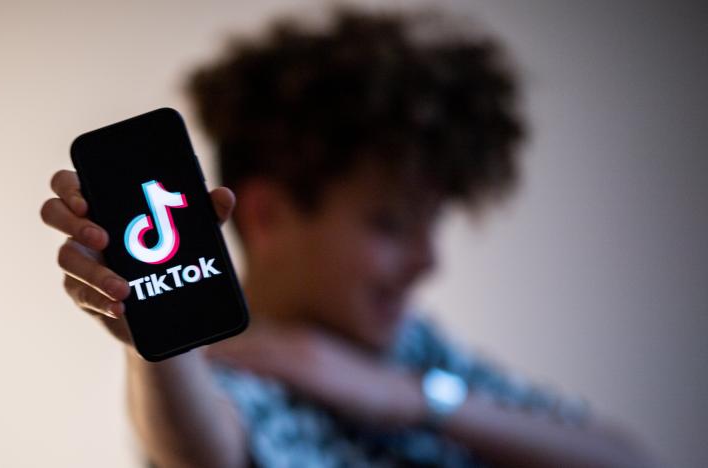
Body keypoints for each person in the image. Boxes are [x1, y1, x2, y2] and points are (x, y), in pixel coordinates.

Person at [40, 6, 655, 468]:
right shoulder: (227, 378)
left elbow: (628, 459)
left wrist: (411, 399)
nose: (427, 263)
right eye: (390, 226)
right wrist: (157, 339)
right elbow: (199, 451)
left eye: (431, 225)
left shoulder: (416, 353)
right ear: (268, 215)